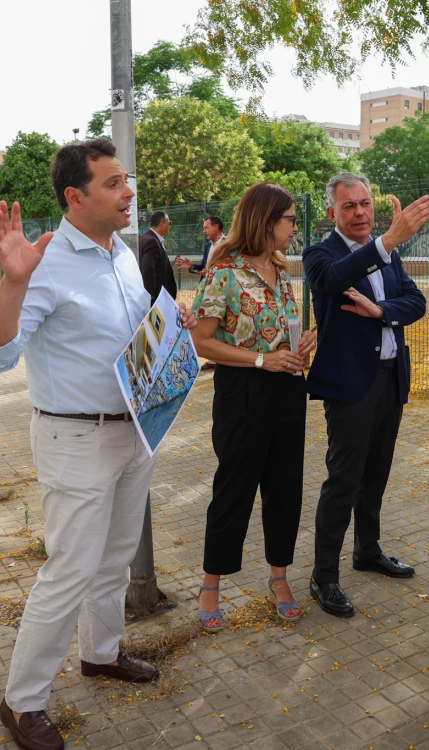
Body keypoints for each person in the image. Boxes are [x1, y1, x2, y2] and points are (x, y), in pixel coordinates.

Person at [0, 139, 197, 750]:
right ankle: (21, 701)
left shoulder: (122, 253)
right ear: (75, 196)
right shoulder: (43, 264)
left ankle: (101, 653)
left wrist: (170, 329)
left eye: (126, 180)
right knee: (70, 571)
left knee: (114, 558)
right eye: (114, 183)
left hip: (133, 430)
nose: (129, 193)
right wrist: (11, 285)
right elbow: (3, 353)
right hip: (75, 437)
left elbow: (132, 326)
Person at [303, 173, 429, 617]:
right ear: (331, 213)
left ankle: (367, 550)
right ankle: (324, 575)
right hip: (351, 386)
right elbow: (333, 280)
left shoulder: (389, 254)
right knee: (344, 481)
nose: (360, 213)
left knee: (375, 474)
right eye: (348, 207)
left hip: (390, 378)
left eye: (364, 203)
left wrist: (380, 311)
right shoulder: (320, 254)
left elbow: (416, 302)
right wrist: (387, 242)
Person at [191, 183, 316, 632]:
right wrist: (262, 359)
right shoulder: (223, 272)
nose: (295, 229)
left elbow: (279, 327)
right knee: (234, 490)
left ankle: (279, 578)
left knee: (285, 489)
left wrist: (304, 338)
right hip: (242, 393)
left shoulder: (282, 270)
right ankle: (210, 585)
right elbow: (201, 341)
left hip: (287, 390)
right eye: (290, 220)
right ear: (267, 222)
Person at [139, 210, 176, 305]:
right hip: (157, 298)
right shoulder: (152, 241)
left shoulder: (145, 238)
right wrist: (150, 293)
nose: (170, 226)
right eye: (169, 223)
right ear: (162, 224)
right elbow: (148, 268)